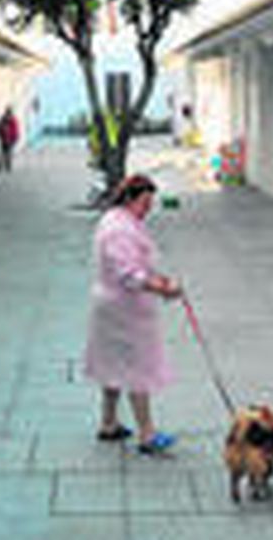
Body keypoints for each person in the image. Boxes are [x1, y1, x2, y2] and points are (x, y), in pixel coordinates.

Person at [82, 173, 183, 454]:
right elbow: (129, 274)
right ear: (130, 199)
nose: (148, 209)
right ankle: (147, 435)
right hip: (123, 309)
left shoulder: (118, 220)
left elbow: (136, 264)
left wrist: (158, 279)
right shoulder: (119, 230)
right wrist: (164, 288)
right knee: (138, 368)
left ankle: (109, 423)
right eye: (145, 202)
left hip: (113, 306)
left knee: (111, 365)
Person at [0, 105, 20, 172]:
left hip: (9, 140)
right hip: (5, 140)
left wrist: (14, 138)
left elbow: (15, 131)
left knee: (6, 153)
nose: (8, 114)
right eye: (8, 112)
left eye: (9, 112)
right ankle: (0, 167)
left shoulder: (13, 120)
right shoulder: (3, 119)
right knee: (4, 153)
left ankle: (5, 166)